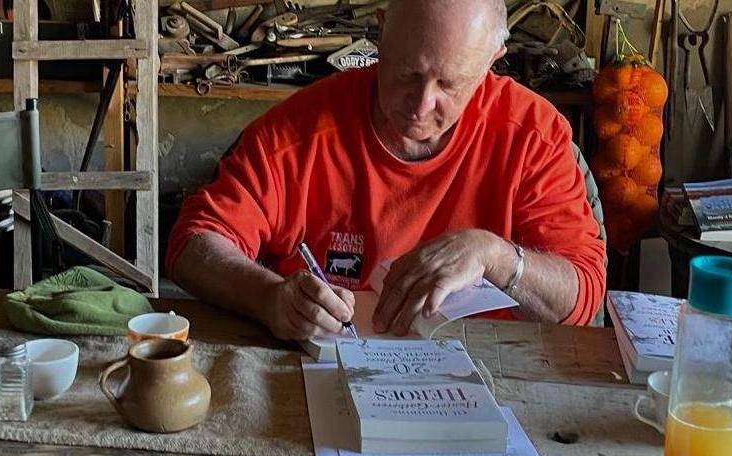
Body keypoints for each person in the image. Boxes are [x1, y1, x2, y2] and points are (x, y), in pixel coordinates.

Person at [165, 0, 607, 340]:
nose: (422, 105)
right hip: (332, 365)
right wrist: (268, 297)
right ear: (381, 34)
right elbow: (192, 244)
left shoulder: (532, 135)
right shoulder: (300, 132)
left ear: (493, 59)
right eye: (407, 74)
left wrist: (495, 256)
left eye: (450, 84)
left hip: (488, 374)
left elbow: (582, 296)